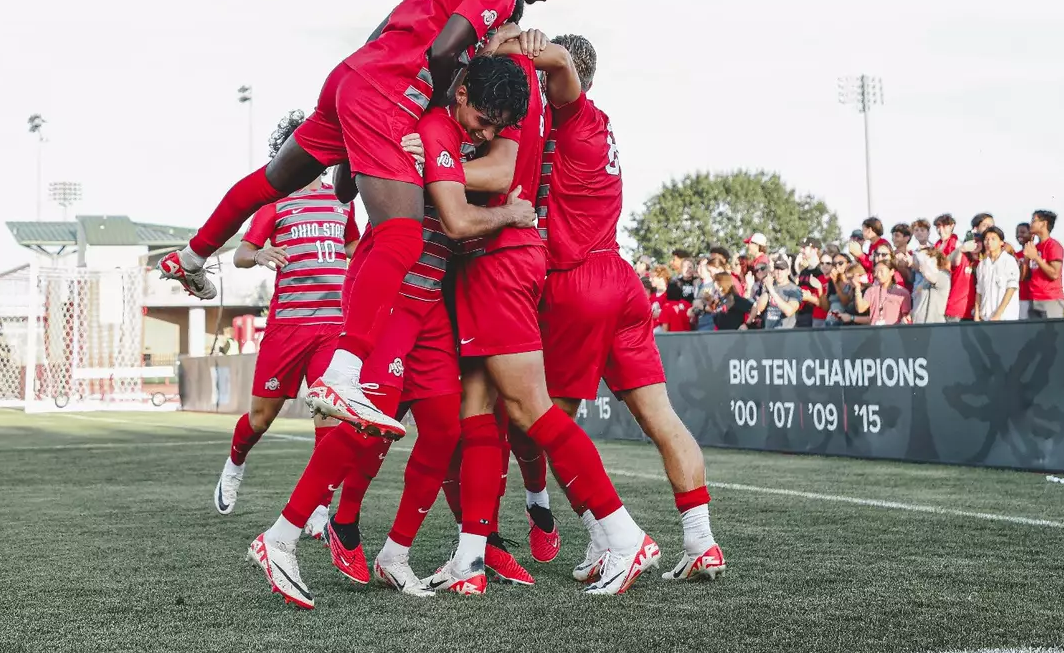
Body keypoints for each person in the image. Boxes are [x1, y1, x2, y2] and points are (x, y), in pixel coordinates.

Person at [159, 0, 594, 440]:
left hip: (351, 75)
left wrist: (351, 152)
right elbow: (442, 52)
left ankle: (194, 255)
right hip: (388, 95)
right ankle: (343, 372)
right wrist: (433, 107)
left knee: (273, 181)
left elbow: (382, 29)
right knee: (402, 237)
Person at [245, 55, 538, 609]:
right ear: (461, 91)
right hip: (392, 297)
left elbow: (489, 176)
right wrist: (512, 214)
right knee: (361, 427)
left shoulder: (461, 138)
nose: (489, 130)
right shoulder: (429, 128)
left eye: (499, 124)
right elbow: (456, 221)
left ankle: (395, 554)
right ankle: (280, 538)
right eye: (483, 117)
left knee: (443, 429)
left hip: (428, 304)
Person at [431, 32, 660, 598]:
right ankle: (469, 557)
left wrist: (430, 166)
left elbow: (504, 171)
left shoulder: (512, 79)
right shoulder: (526, 82)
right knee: (479, 407)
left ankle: (625, 535)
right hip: (505, 258)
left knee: (531, 409)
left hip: (502, 258)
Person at [530, 33, 725, 586]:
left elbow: (561, 63)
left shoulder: (574, 116)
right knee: (660, 418)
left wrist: (511, 46)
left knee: (549, 424)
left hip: (580, 281)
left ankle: (610, 536)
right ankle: (700, 541)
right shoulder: (598, 123)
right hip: (620, 277)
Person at [215, 111, 360, 516]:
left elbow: (354, 248)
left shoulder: (342, 201)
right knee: (261, 418)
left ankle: (318, 507)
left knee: (328, 413)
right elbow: (242, 254)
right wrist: (259, 253)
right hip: (289, 326)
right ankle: (235, 464)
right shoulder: (275, 201)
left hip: (334, 325)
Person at [1025, 210, 1064, 319]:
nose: (1031, 224)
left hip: (1051, 299)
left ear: (1044, 223)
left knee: (1051, 334)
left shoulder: (1053, 245)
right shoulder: (1035, 247)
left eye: (1034, 220)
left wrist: (1036, 257)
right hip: (1033, 299)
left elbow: (1054, 274)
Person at [975, 226, 1021, 322]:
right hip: (985, 317)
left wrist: (998, 314)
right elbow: (979, 291)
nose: (989, 242)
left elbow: (1011, 288)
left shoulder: (1009, 261)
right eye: (986, 239)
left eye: (993, 239)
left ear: (1001, 242)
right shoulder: (982, 264)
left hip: (1005, 317)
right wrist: (976, 313)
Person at [849, 259, 911, 326]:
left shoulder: (902, 292)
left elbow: (906, 316)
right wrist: (857, 287)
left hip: (894, 331)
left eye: (881, 271)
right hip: (875, 331)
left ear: (892, 272)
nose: (878, 274)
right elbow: (860, 308)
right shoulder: (871, 291)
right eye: (876, 271)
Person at [911, 247, 952, 324]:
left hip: (935, 327)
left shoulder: (943, 276)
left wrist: (922, 261)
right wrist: (910, 315)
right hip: (918, 327)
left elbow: (931, 277)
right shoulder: (923, 280)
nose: (920, 261)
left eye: (923, 258)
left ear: (934, 260)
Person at [1013, 222, 1034, 319]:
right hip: (1021, 298)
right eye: (1017, 233)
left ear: (1031, 234)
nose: (1019, 235)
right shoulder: (1016, 255)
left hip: (1035, 297)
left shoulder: (1036, 252)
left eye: (1023, 232)